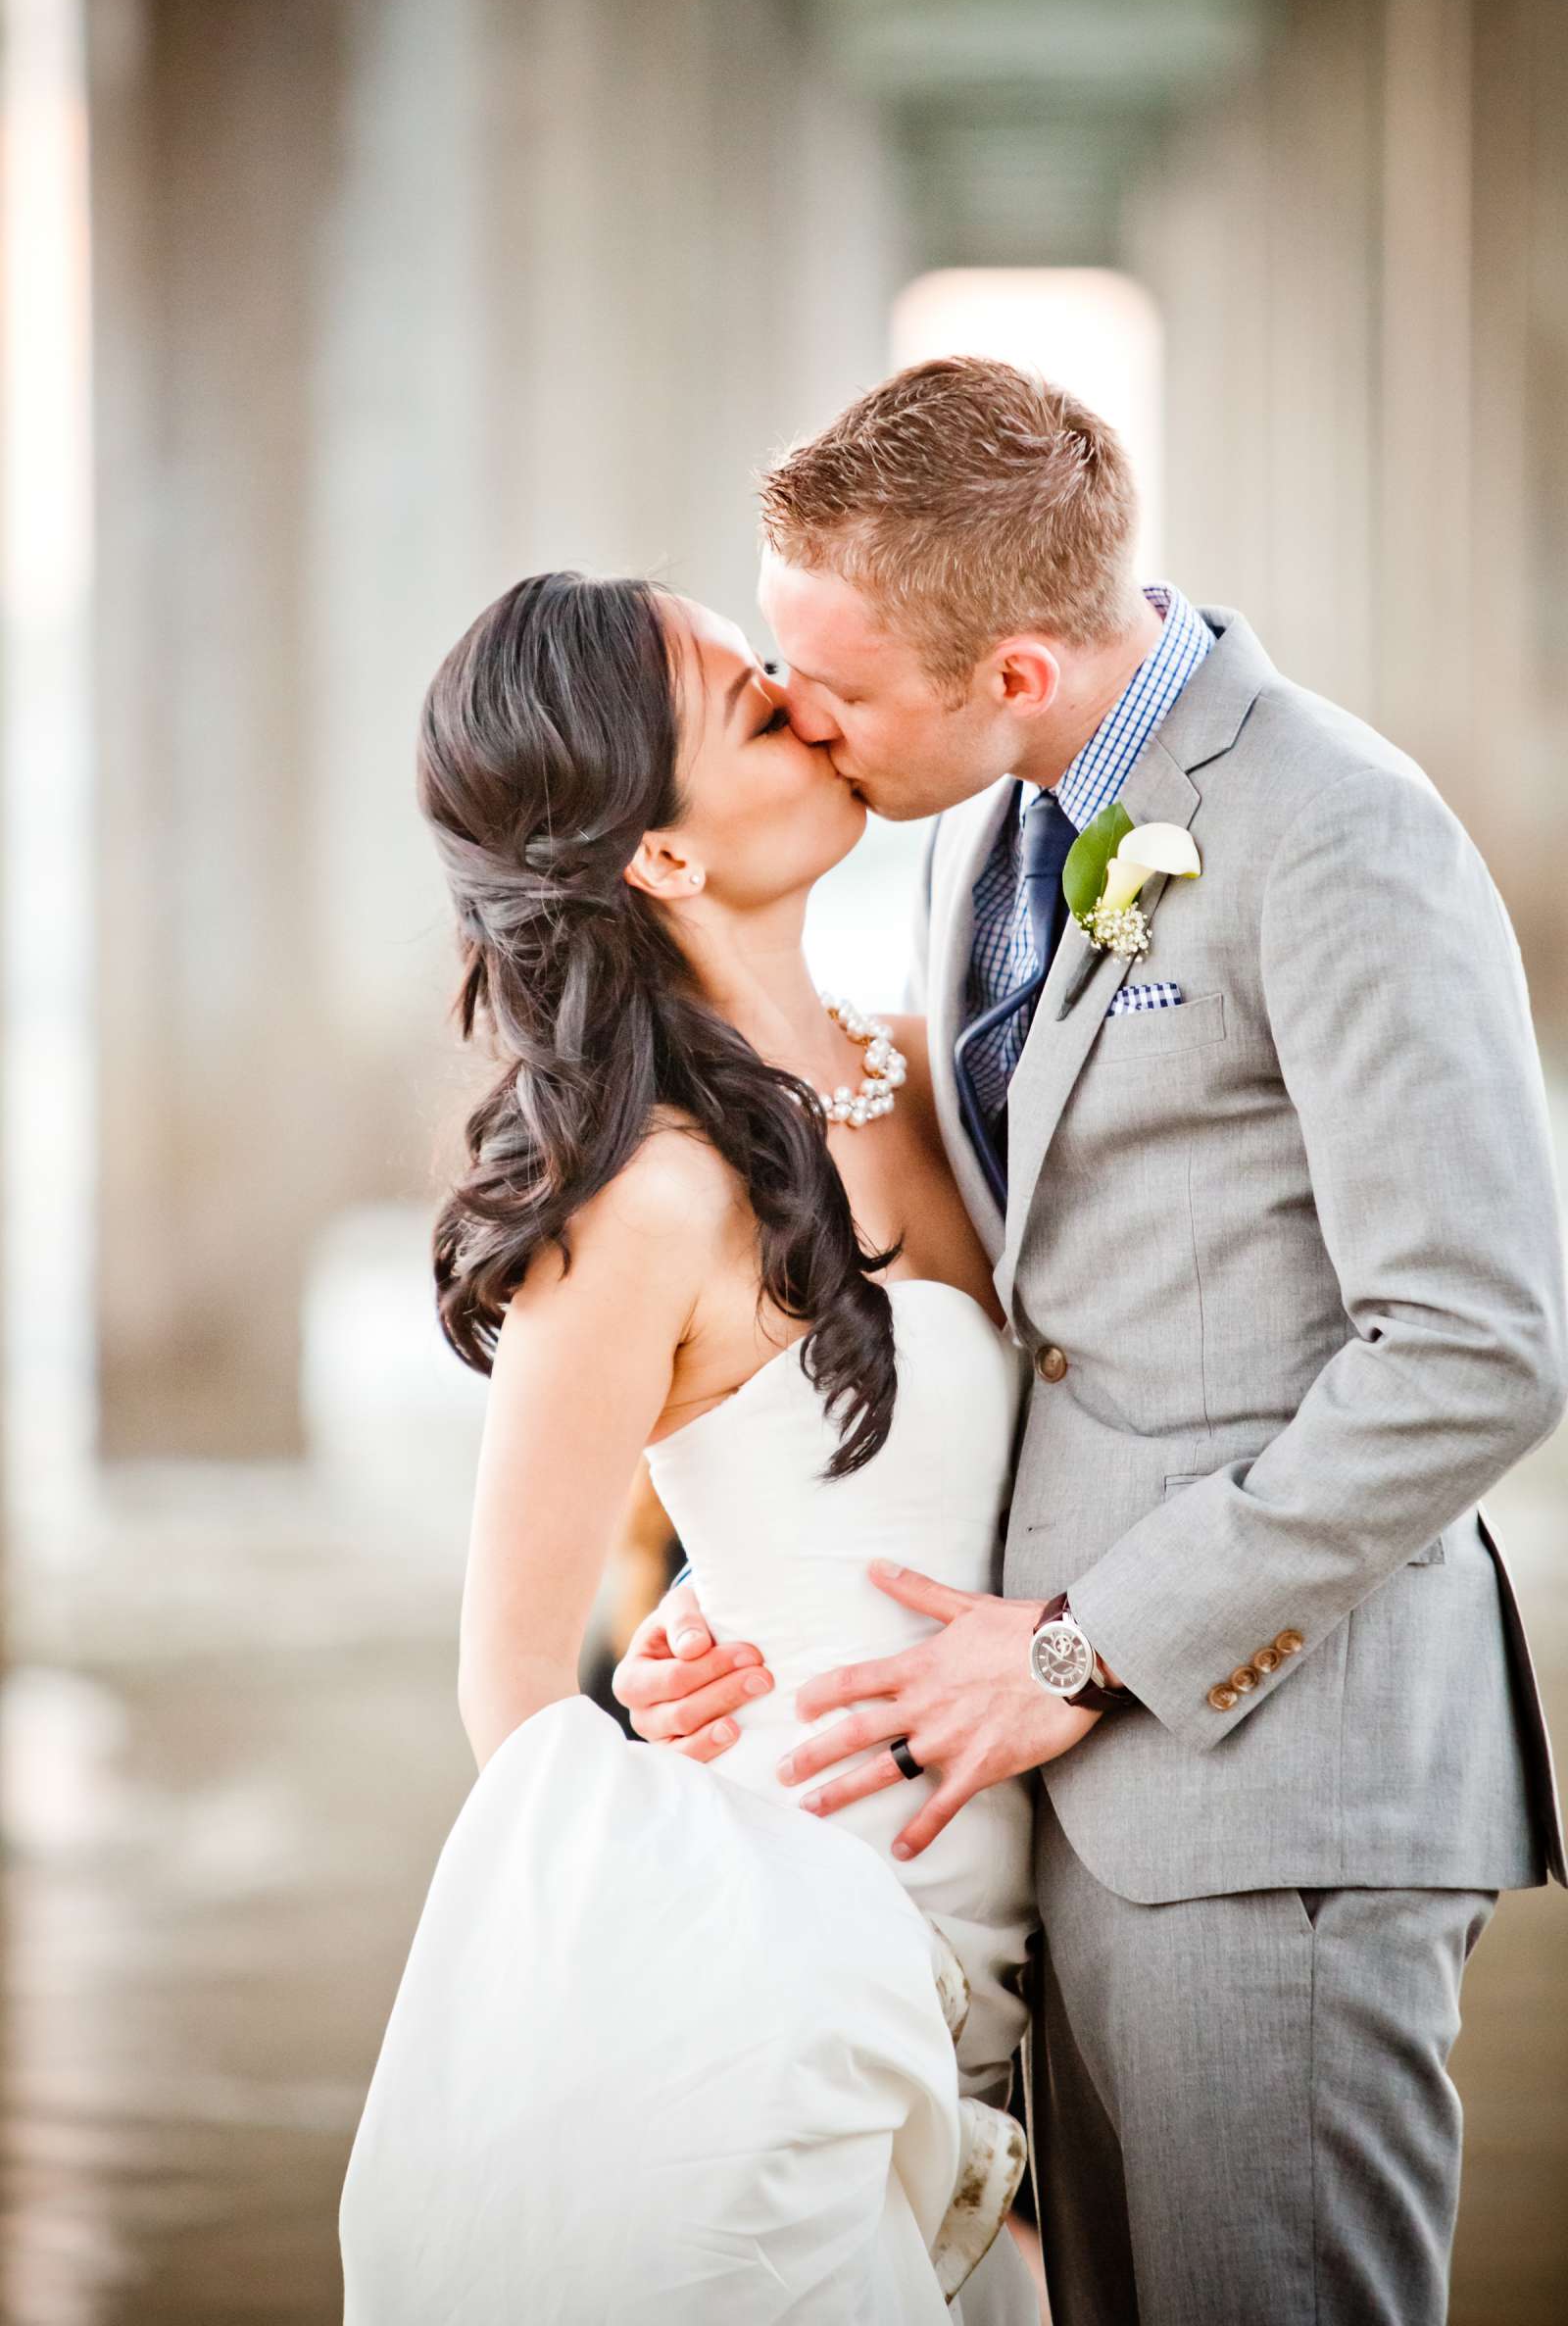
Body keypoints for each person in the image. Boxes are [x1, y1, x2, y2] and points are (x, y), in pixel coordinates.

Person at [615, 356, 1568, 2325]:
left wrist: (1077, 1647)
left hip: (1271, 1791)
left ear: (1017, 672)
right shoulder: (986, 826)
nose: (805, 725)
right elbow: (999, 1314)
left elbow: (1476, 1344)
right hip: (1052, 1802)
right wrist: (736, 1591)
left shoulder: (1332, 834)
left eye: (840, 693)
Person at [336, 569, 1042, 2324]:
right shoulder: (643, 1203)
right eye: (753, 703)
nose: (813, 702)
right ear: (659, 853)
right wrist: (648, 1712)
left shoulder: (932, 1063)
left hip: (1031, 1929)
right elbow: (513, 1699)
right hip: (798, 1977)